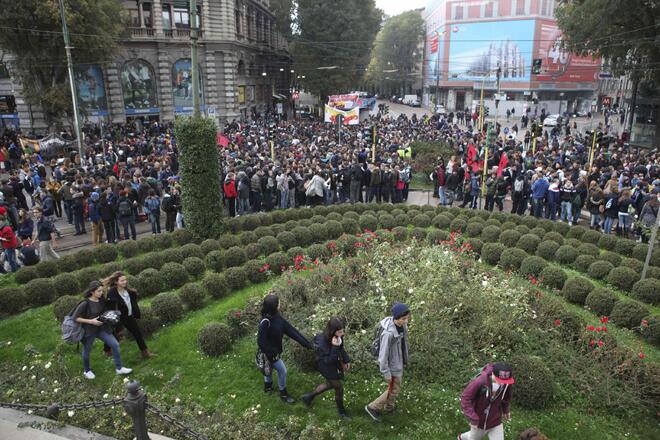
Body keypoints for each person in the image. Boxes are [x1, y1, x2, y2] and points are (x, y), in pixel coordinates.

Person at [257, 294, 313, 404]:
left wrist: (307, 344)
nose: (280, 304)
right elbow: (261, 342)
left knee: (268, 369)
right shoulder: (265, 322)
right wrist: (272, 353)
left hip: (274, 352)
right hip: (269, 353)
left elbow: (292, 331)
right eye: (279, 302)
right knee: (282, 371)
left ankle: (267, 388)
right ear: (274, 306)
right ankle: (283, 393)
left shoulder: (277, 317)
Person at [72, 281, 133, 379]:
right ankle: (87, 371)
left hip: (101, 328)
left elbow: (104, 312)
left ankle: (119, 368)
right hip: (89, 331)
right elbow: (75, 318)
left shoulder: (101, 300)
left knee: (115, 345)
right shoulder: (85, 303)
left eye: (102, 291)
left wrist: (112, 315)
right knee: (87, 351)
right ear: (92, 292)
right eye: (99, 291)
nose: (101, 293)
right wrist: (91, 321)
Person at [365, 302, 410, 422]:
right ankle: (372, 407)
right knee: (393, 389)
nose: (406, 321)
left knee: (395, 387)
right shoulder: (388, 334)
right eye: (403, 319)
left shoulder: (401, 326)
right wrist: (386, 373)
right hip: (392, 367)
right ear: (396, 318)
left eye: (407, 318)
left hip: (398, 362)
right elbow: (382, 356)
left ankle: (389, 407)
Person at [301, 317, 351, 419]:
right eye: (340, 331)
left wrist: (346, 360)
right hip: (325, 366)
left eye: (342, 331)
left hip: (332, 363)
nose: (342, 334)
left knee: (329, 384)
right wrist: (335, 346)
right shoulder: (321, 342)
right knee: (338, 387)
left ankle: (308, 397)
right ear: (333, 331)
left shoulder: (337, 335)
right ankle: (342, 412)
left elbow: (341, 348)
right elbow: (328, 361)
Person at [102, 271, 155, 359]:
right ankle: (107, 350)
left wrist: (136, 312)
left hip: (129, 317)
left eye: (125, 280)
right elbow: (110, 307)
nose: (125, 282)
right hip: (119, 318)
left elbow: (132, 302)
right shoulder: (112, 292)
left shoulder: (128, 291)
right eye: (122, 281)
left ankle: (145, 352)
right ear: (116, 282)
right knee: (115, 334)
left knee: (137, 333)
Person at [458, 362, 514, 440]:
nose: (502, 383)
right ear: (493, 374)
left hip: (495, 420)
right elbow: (465, 398)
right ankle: (462, 437)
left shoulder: (506, 382)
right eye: (500, 380)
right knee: (473, 438)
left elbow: (506, 396)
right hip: (479, 421)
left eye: (505, 382)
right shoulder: (480, 381)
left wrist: (505, 410)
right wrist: (473, 418)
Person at [0, 207, 18, 272]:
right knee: (9, 258)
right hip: (7, 245)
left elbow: (8, 239)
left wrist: (1, 238)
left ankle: (15, 271)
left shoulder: (5, 227)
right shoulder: (3, 225)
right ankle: (15, 268)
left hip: (9, 245)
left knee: (11, 260)